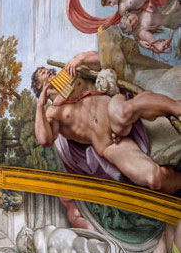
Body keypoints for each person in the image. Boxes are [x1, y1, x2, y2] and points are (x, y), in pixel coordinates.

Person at [32, 51, 181, 193]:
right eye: (43, 73)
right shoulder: (51, 112)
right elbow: (44, 140)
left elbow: (104, 61)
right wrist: (40, 105)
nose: (48, 71)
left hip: (113, 111)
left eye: (46, 69)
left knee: (123, 112)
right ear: (39, 85)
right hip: (109, 144)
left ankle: (177, 107)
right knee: (155, 179)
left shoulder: (71, 73)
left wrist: (80, 58)